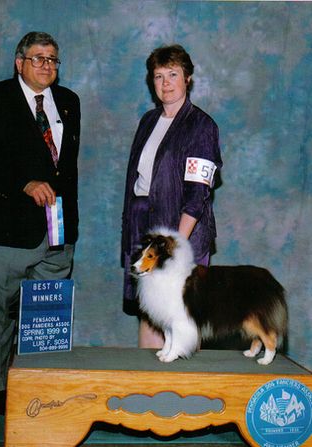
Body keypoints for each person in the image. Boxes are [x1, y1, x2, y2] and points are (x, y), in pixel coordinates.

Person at [0, 31, 80, 414]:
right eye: (38, 58)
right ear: (20, 62)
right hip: (2, 227)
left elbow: (66, 170)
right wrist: (24, 183)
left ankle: (37, 378)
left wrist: (68, 221)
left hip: (57, 229)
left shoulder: (69, 102)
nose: (47, 65)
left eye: (53, 59)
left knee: (45, 314)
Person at [121, 44, 222, 349]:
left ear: (187, 78)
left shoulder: (201, 126)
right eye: (158, 76)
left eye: (173, 74)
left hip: (181, 234)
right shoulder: (148, 121)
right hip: (145, 228)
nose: (165, 83)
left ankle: (189, 393)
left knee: (182, 316)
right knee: (151, 311)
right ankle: (146, 390)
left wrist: (177, 246)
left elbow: (198, 193)